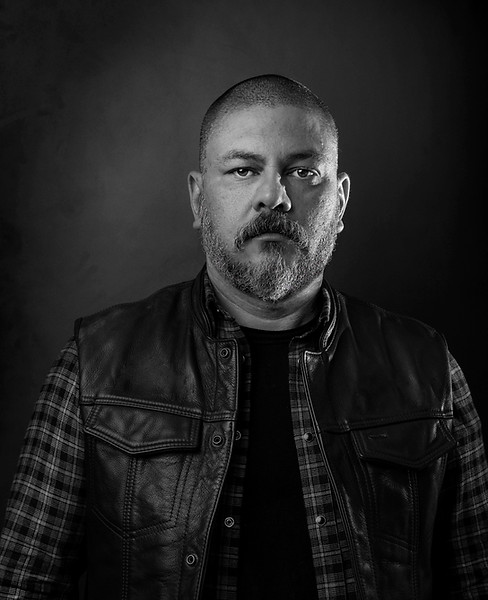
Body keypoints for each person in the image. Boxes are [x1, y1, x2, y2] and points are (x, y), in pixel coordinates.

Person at [0, 74, 487, 600]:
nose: (273, 197)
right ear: (198, 199)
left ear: (341, 202)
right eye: (243, 170)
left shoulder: (429, 370)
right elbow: (23, 585)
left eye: (302, 172)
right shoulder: (95, 364)